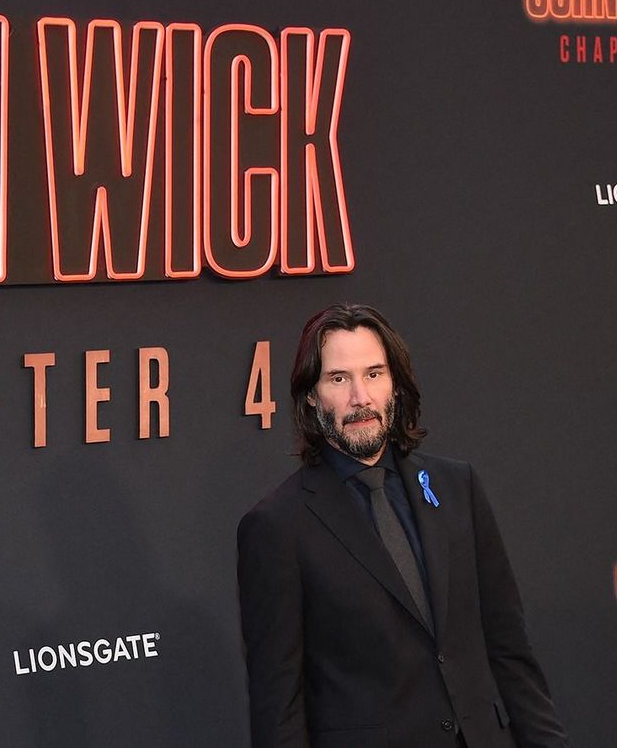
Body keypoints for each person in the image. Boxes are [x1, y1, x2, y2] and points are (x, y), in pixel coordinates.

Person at [237, 303, 569, 748]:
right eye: (339, 378)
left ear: (394, 383)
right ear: (311, 395)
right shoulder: (277, 527)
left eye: (374, 373)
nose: (361, 397)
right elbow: (280, 707)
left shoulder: (457, 487)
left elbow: (510, 651)